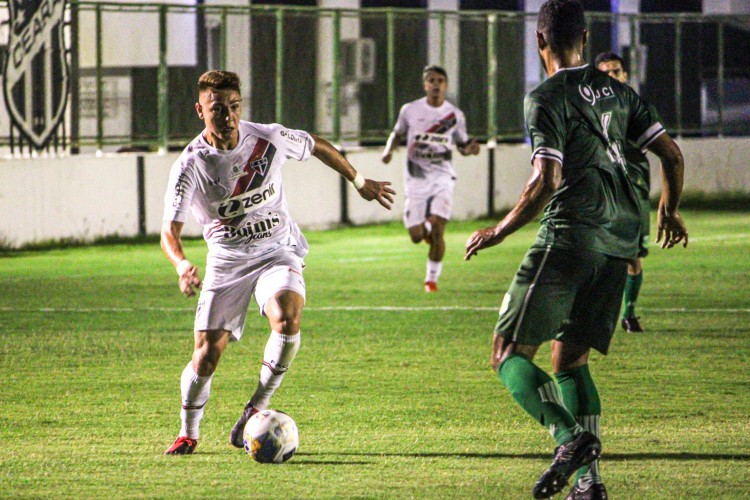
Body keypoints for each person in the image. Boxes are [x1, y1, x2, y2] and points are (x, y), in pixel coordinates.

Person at [464, 1, 688, 498]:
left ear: (539, 42)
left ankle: (568, 440)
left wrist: (497, 231)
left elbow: (546, 178)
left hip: (572, 235)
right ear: (584, 40)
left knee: (507, 353)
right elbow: (671, 154)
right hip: (621, 241)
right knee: (570, 360)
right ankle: (590, 484)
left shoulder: (545, 97)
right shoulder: (621, 92)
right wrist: (668, 209)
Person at [161, 70, 395, 455]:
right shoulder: (190, 165)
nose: (228, 117)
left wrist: (359, 181)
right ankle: (189, 431)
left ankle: (257, 406)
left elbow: (316, 144)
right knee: (206, 355)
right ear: (200, 111)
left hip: (277, 249)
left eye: (234, 107)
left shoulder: (267, 137)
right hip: (228, 262)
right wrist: (182, 265)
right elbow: (169, 231)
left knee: (287, 319)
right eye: (218, 109)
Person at [381, 64, 480, 293]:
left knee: (437, 227)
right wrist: (388, 150)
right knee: (416, 236)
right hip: (415, 179)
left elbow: (463, 144)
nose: (436, 85)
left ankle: (431, 281)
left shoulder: (454, 115)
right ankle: (424, 230)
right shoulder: (410, 110)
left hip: (442, 177)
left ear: (446, 85)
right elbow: (397, 133)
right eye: (431, 81)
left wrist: (470, 150)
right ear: (425, 85)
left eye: (440, 81)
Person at [595, 51, 654, 333]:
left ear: (625, 75)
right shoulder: (587, 110)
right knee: (593, 252)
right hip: (600, 187)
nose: (612, 77)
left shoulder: (638, 108)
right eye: (604, 73)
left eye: (616, 71)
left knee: (632, 255)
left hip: (632, 188)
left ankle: (628, 313)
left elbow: (663, 149)